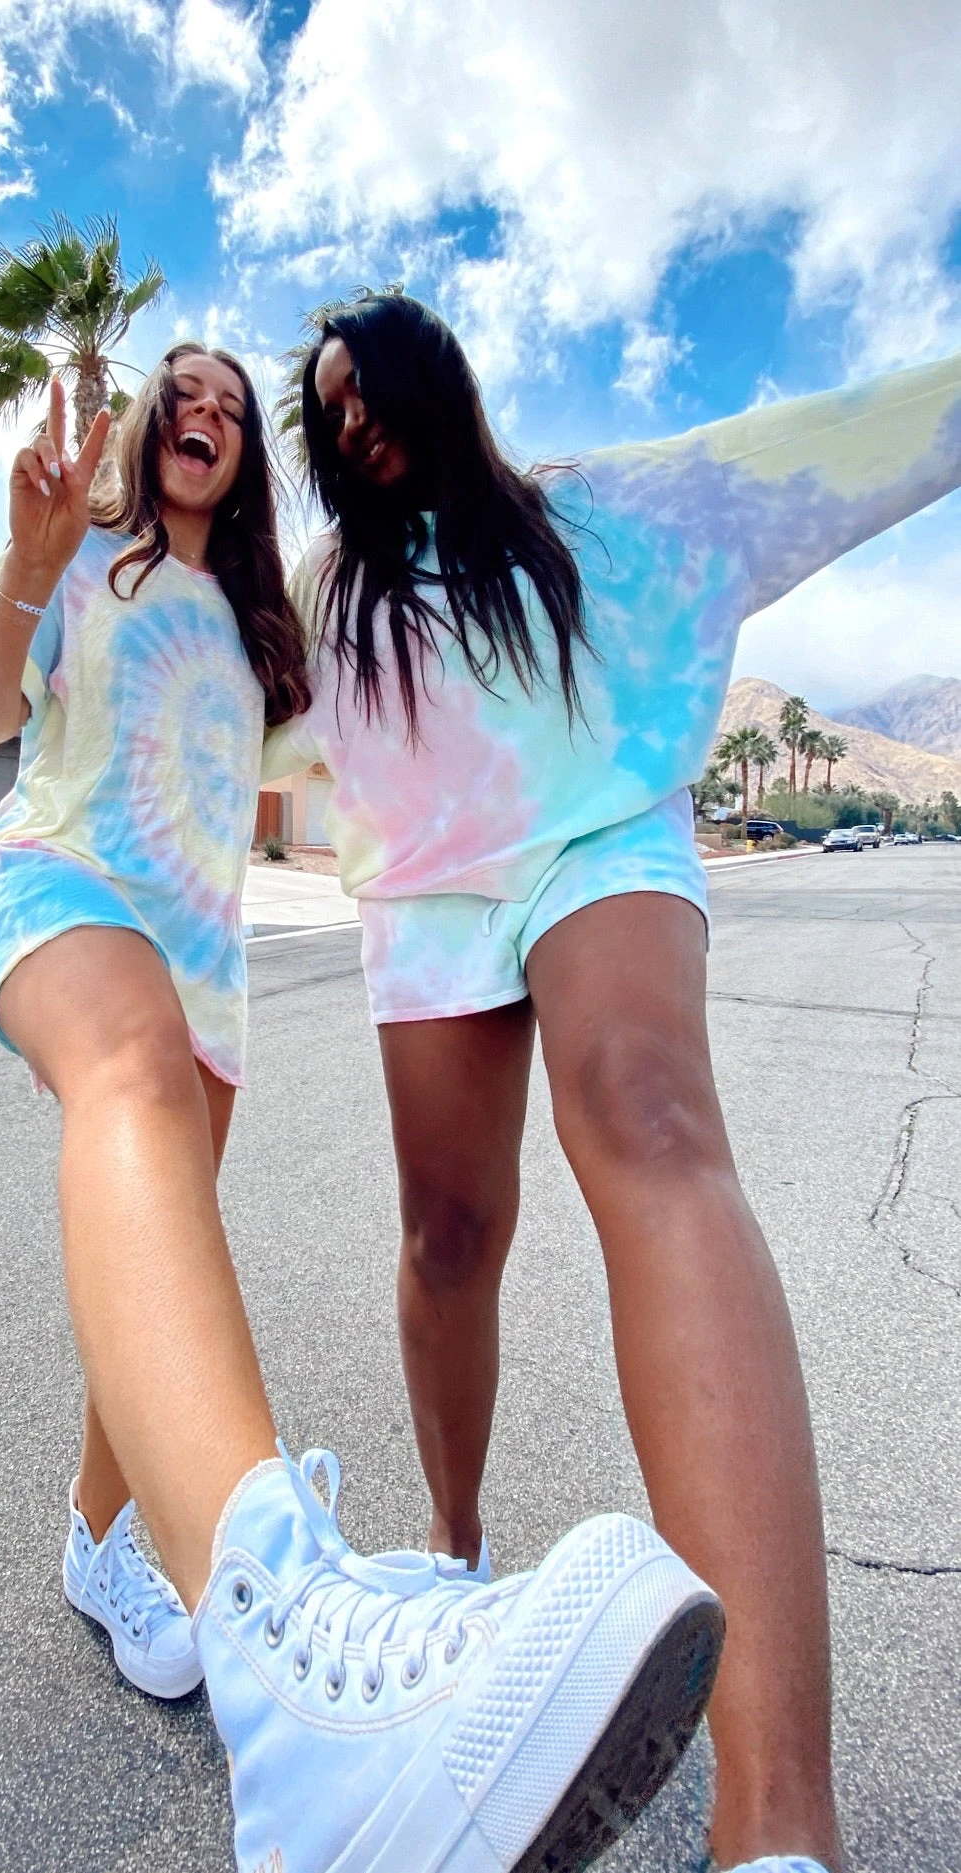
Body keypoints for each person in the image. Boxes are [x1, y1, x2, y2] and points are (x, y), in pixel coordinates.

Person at [0, 345, 725, 1871]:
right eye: (184, 394)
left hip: (204, 981)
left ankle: (106, 1542)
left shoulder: (262, 627)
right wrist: (28, 569)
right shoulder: (81, 554)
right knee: (128, 1077)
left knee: (157, 1251)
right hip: (55, 889)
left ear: (247, 458)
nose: (207, 413)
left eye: (232, 406)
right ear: (150, 427)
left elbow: (386, 738)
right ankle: (286, 1646)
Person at [267, 291, 961, 1873]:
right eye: (328, 409)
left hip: (601, 840)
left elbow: (832, 446)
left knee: (647, 1114)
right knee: (450, 1234)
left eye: (372, 389)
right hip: (428, 898)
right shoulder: (328, 590)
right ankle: (453, 1547)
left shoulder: (598, 512)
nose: (354, 421)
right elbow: (205, 692)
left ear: (440, 386)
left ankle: (776, 1824)